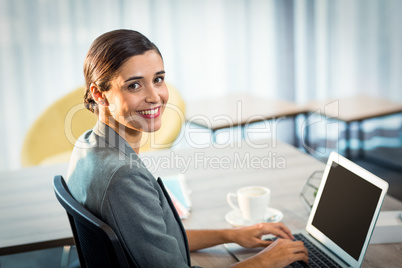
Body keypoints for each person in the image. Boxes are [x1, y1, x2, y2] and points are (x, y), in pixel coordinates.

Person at [67, 29, 308, 268]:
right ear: (100, 95)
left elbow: (150, 240)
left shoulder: (87, 146)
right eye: (134, 86)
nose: (155, 96)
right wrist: (265, 261)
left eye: (158, 80)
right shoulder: (123, 177)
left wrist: (231, 235)